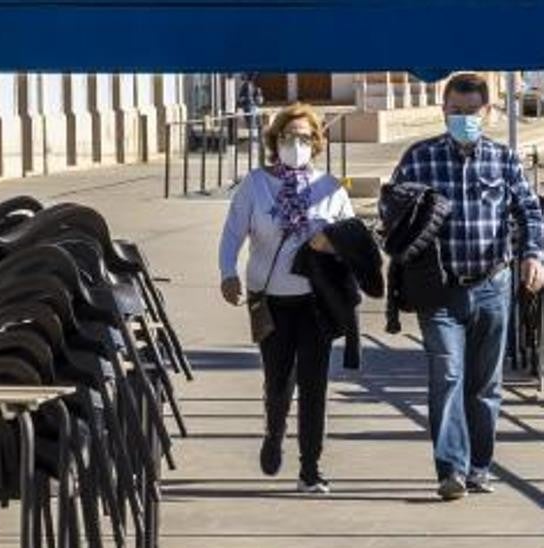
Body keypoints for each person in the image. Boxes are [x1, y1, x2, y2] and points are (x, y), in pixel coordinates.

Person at [384, 72, 544, 501]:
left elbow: (529, 210)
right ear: (444, 110)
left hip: (494, 285)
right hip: (439, 290)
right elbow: (392, 213)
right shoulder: (419, 157)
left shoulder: (503, 158)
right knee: (447, 376)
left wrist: (533, 254)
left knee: (484, 385)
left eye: (472, 112)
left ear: (487, 112)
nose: (463, 119)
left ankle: (479, 466)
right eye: (456, 111)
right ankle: (451, 469)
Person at [218, 102, 355, 494]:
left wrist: (332, 245)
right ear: (274, 141)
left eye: (303, 137)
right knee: (278, 382)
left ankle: (310, 468)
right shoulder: (256, 185)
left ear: (316, 143)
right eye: (287, 137)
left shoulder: (329, 188)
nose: (295, 144)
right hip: (270, 299)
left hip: (315, 302)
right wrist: (228, 272)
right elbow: (233, 233)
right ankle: (273, 432)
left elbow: (351, 240)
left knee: (314, 386)